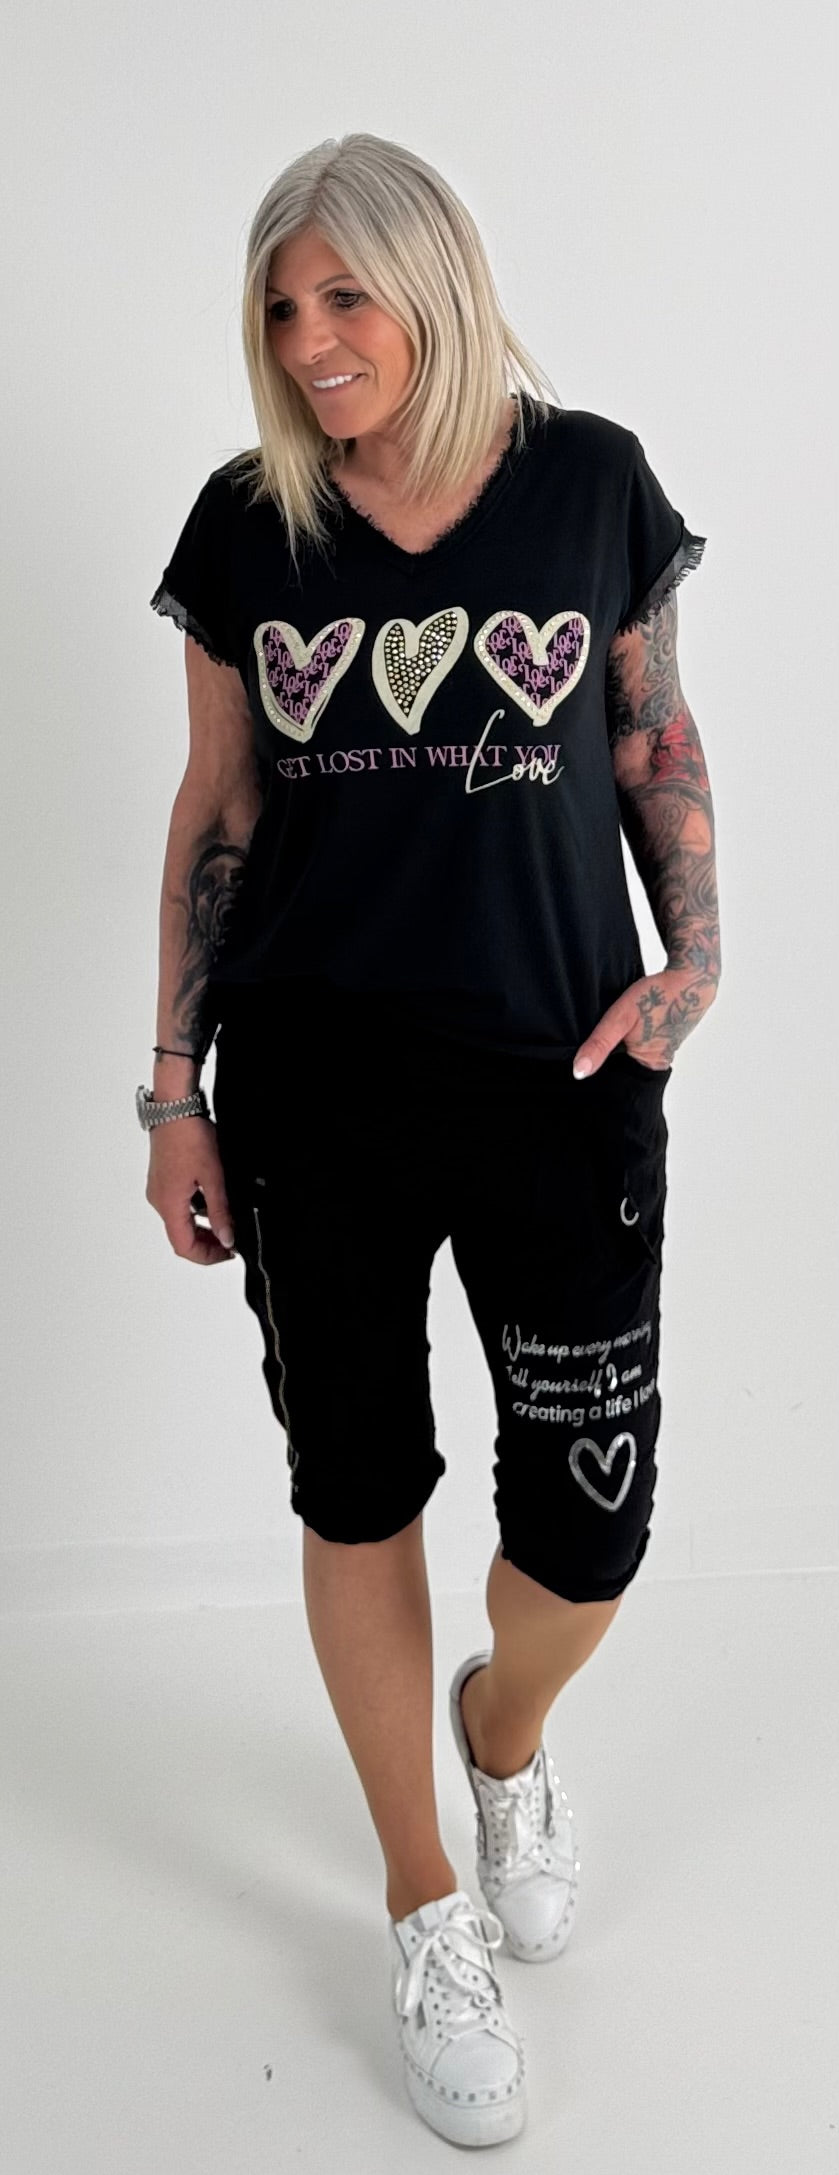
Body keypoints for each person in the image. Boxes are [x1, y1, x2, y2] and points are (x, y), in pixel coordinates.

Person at [141, 131, 720, 2150]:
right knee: (358, 1486)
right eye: (281, 309)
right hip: (315, 1091)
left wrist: (696, 961)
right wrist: (174, 1085)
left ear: (435, 282)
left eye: (344, 296)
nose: (311, 341)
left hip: (561, 1076)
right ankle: (421, 1897)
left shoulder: (589, 483)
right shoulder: (250, 525)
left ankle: (505, 1726)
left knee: (590, 1524)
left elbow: (651, 732)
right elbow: (220, 808)